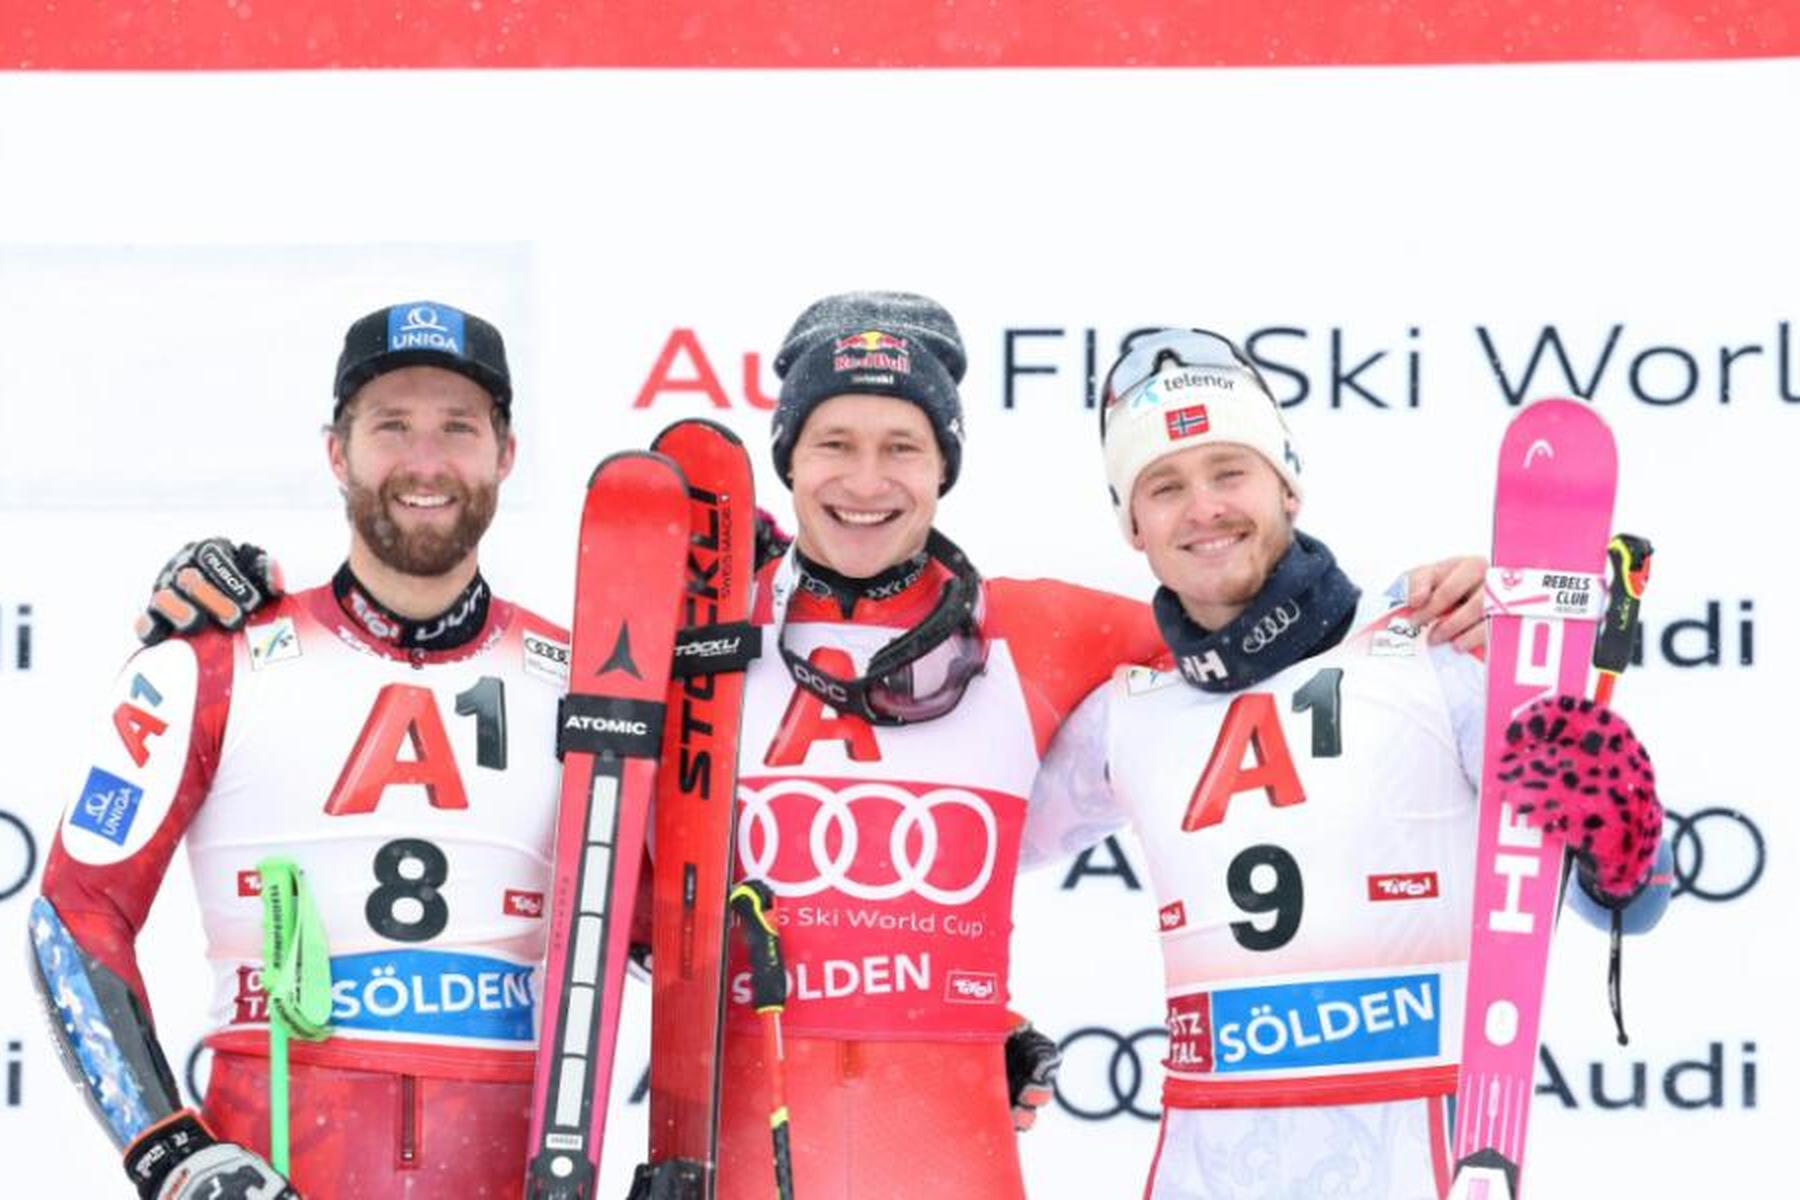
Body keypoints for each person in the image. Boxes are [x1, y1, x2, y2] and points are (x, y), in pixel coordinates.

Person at [122, 295, 1489, 1199]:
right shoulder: (690, 634)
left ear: (945, 467)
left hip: (947, 1157)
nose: (866, 476)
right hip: (736, 1151)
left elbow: (1250, 625)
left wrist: (1470, 604)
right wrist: (222, 590)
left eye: (902, 444)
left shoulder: (1049, 633)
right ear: (788, 461)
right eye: (833, 441)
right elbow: (593, 838)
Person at [1022, 328, 1667, 1200]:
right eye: (1164, 487)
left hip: (1418, 1156)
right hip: (1202, 1166)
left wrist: (1621, 835)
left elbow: (1626, 895)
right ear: (1133, 527)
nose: (1203, 508)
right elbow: (970, 851)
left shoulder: (1437, 647)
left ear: (1287, 482)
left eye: (1230, 471)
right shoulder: (1123, 717)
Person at [29, 301, 569, 1199]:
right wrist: (171, 1152)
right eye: (391, 426)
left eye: (457, 429)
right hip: (278, 1168)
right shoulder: (210, 657)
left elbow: (663, 937)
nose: (425, 462)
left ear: (505, 454)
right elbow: (74, 912)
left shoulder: (583, 677)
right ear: (336, 452)